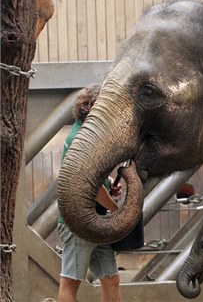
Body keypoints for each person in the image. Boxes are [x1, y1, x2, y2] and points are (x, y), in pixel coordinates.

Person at [57, 84, 122, 302]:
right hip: (78, 223)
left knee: (111, 279)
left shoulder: (89, 135)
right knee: (71, 282)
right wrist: (118, 210)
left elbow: (94, 176)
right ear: (91, 106)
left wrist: (109, 181)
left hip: (97, 220)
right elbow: (90, 187)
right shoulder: (78, 139)